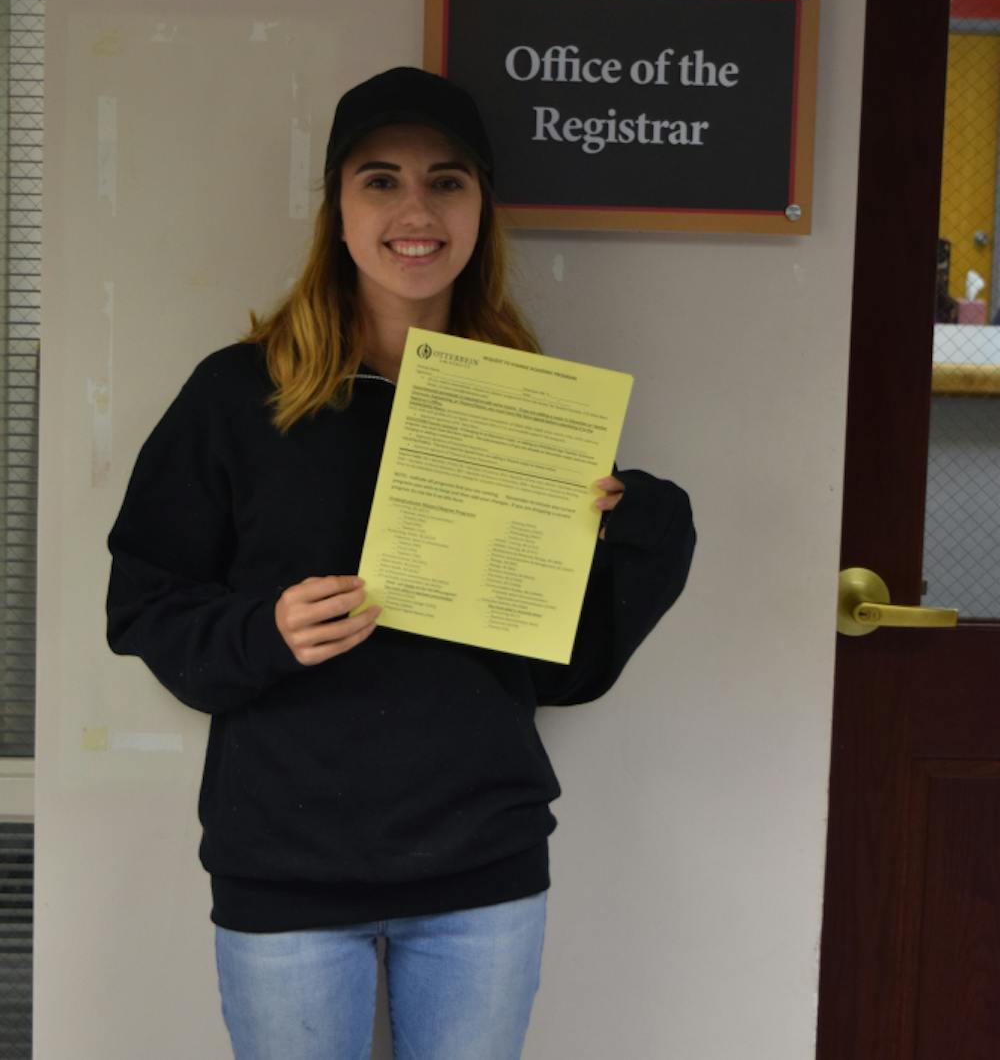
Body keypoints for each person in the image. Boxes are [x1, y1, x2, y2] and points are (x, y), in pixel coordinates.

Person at [106, 66, 695, 1060]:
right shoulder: (236, 395)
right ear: (336, 208)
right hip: (284, 866)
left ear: (481, 209)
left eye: (447, 180)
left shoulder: (526, 405)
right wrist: (266, 630)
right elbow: (143, 603)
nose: (414, 209)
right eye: (380, 179)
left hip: (480, 864)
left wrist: (636, 521)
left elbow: (566, 666)